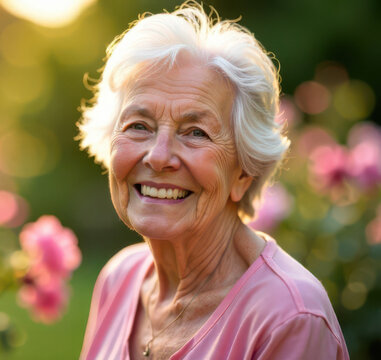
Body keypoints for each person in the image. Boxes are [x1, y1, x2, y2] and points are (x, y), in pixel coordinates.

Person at [77, 2, 349, 360]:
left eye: (195, 132)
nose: (158, 156)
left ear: (243, 172)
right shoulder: (119, 278)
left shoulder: (290, 318)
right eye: (139, 126)